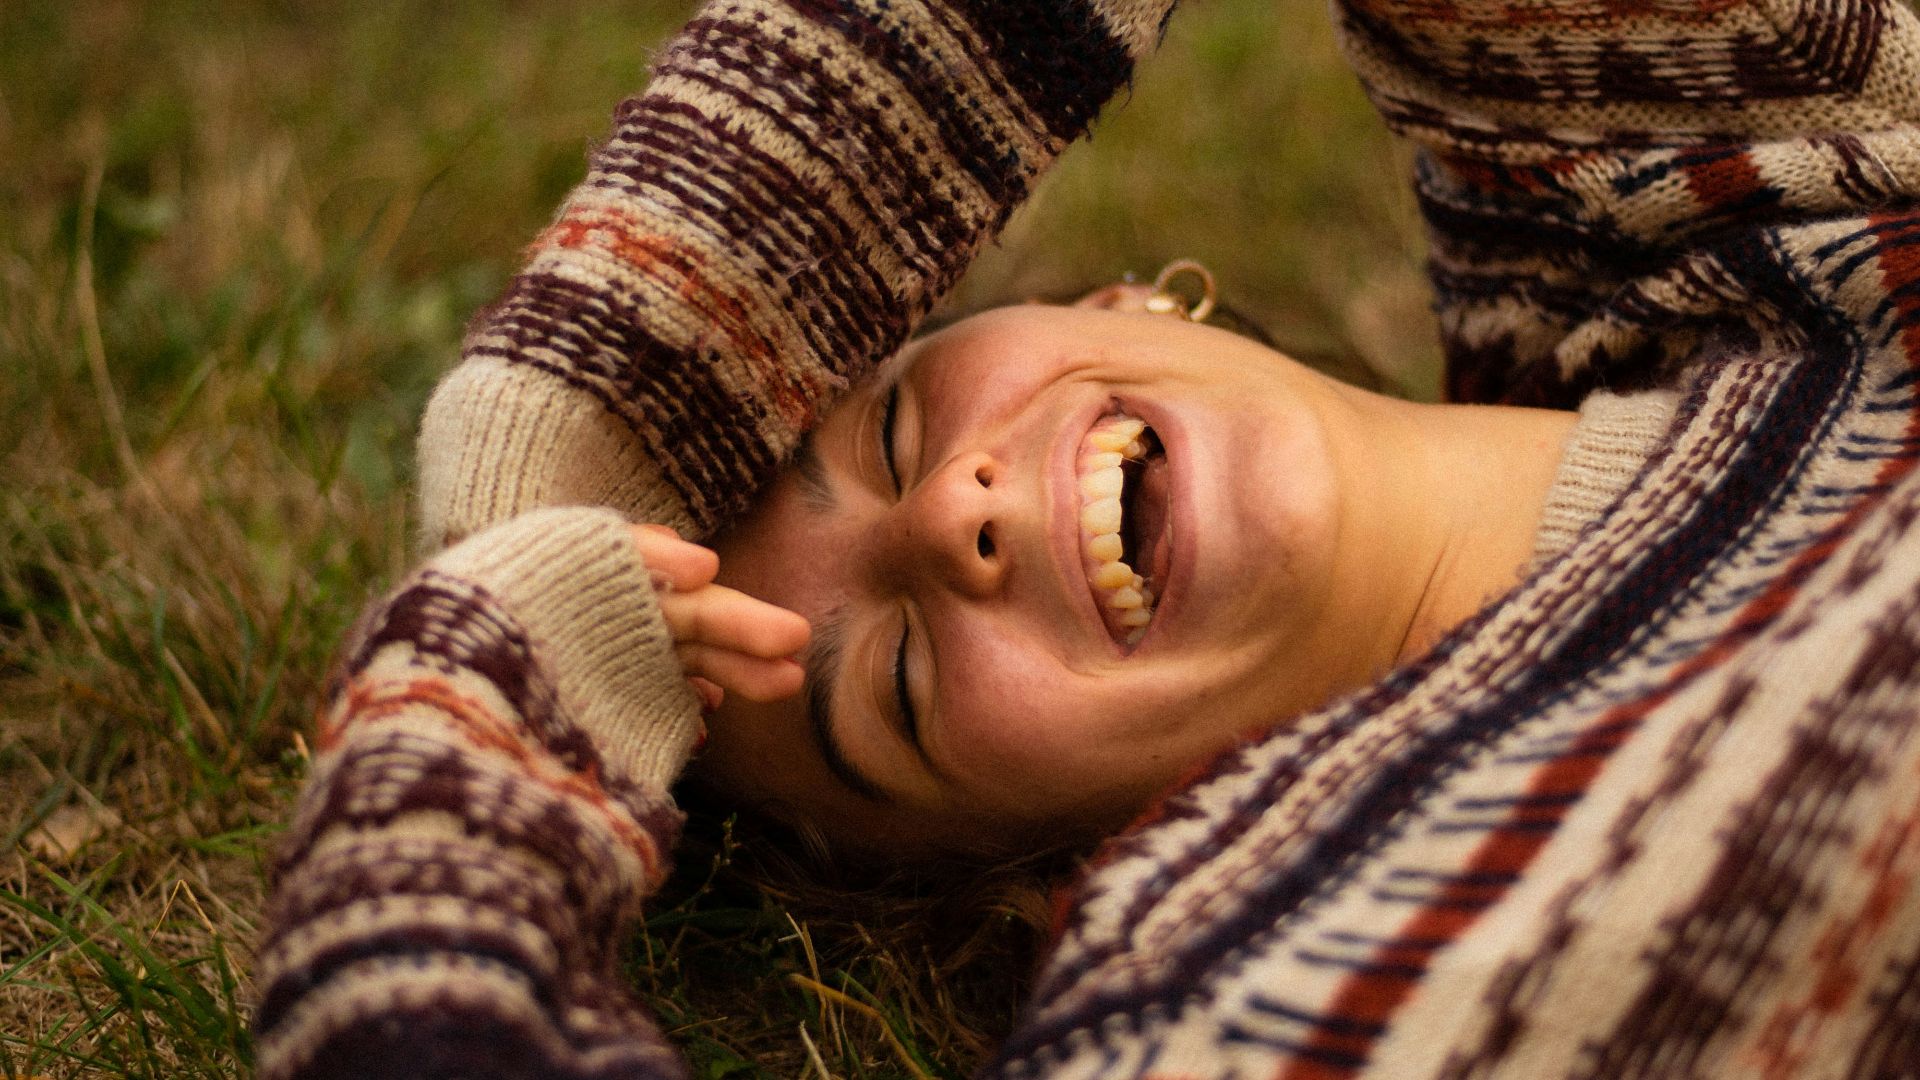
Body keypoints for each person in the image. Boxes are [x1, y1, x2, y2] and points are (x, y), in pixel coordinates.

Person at [254, 0, 1920, 1077]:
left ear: (1125, 302)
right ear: (1061, 871)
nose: (951, 520)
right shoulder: (1270, 998)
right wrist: (478, 713)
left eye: (895, 430)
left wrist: (571, 430)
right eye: (896, 686)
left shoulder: (1741, 196)